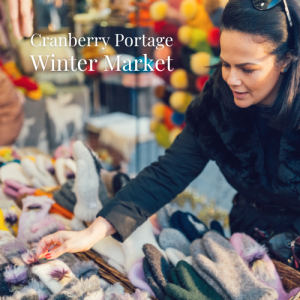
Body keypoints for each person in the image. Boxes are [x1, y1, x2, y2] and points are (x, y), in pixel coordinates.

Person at [36, 0, 300, 260]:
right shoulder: (218, 103)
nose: (232, 79)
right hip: (249, 235)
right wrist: (92, 233)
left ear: (286, 59)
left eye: (247, 69)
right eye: (226, 64)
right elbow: (168, 173)